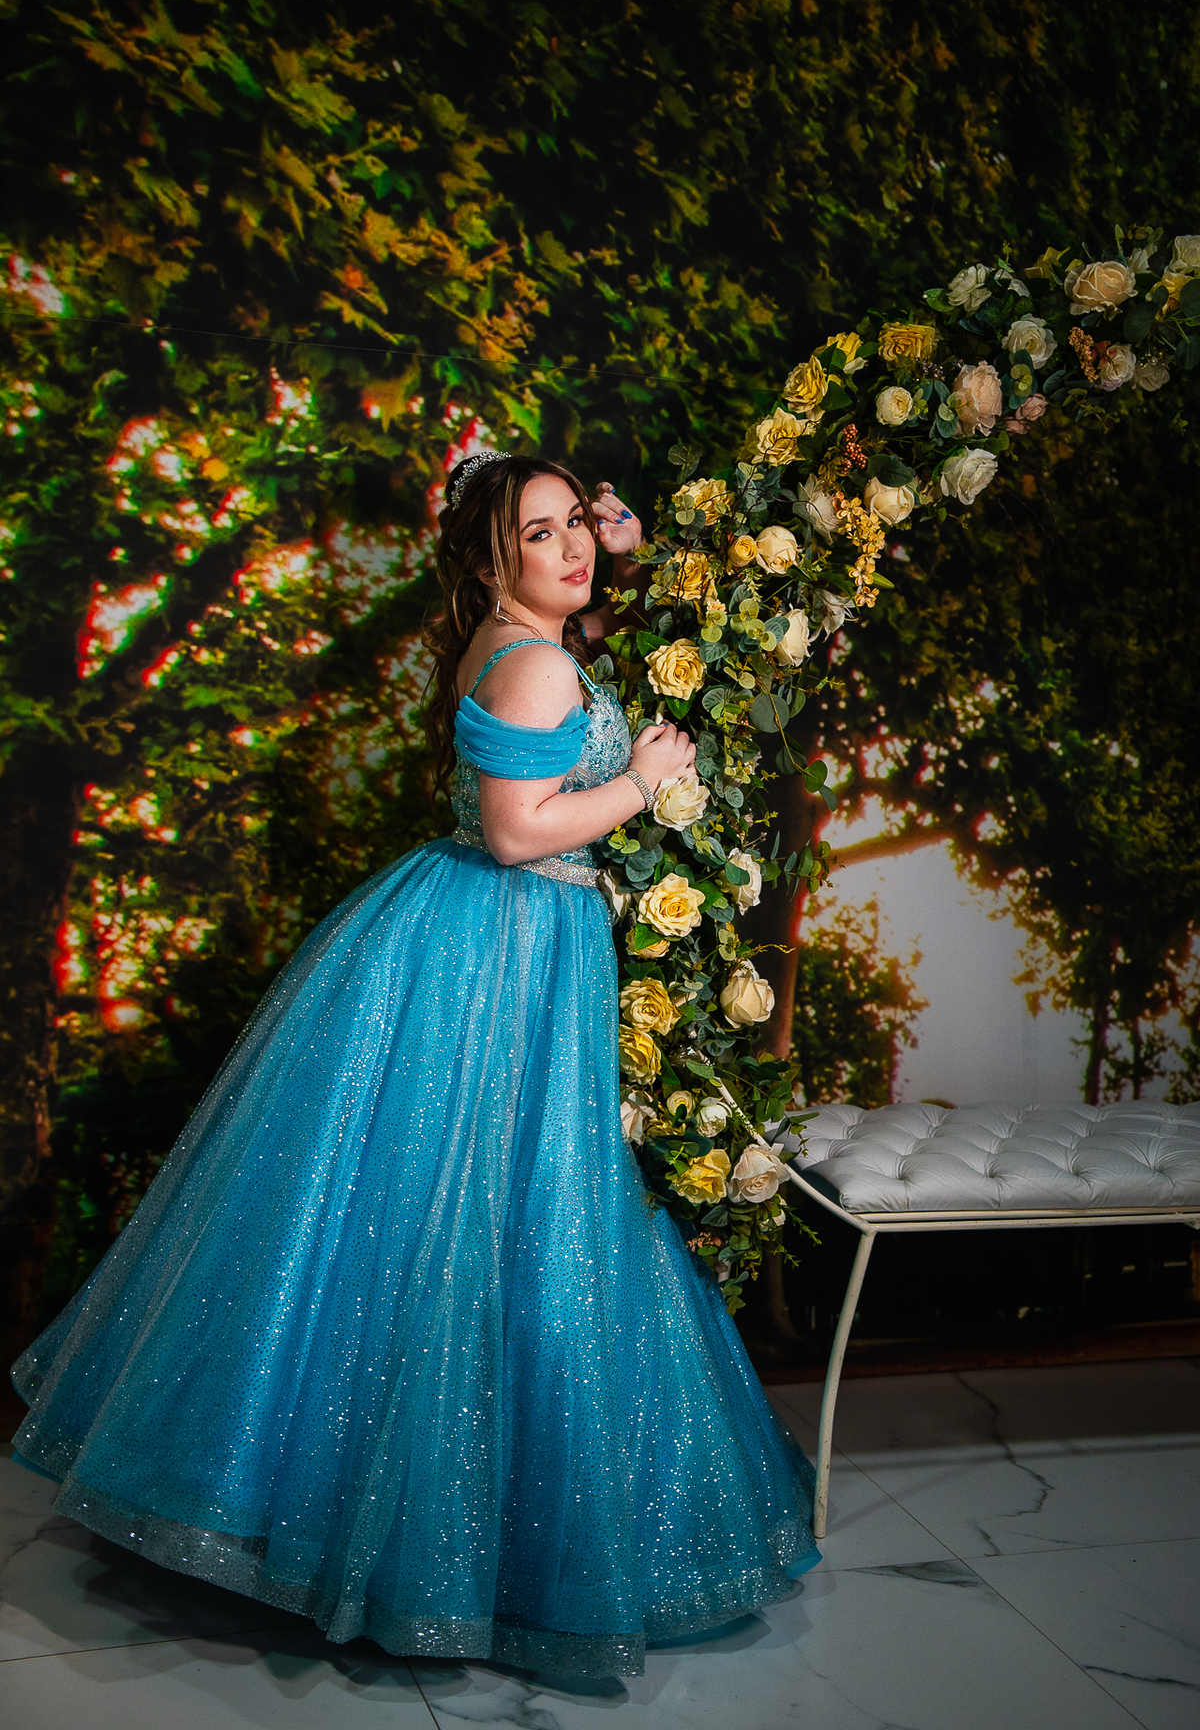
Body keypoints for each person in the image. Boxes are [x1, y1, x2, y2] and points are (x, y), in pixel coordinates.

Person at [11, 450, 819, 1679]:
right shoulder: (539, 660)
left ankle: (368, 1514)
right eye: (541, 532)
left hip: (496, 941)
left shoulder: (519, 640)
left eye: (578, 522)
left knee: (435, 1216)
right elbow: (517, 831)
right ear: (493, 561)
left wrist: (623, 552)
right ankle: (432, 1549)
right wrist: (643, 784)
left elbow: (582, 689)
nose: (573, 545)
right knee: (481, 1216)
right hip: (501, 948)